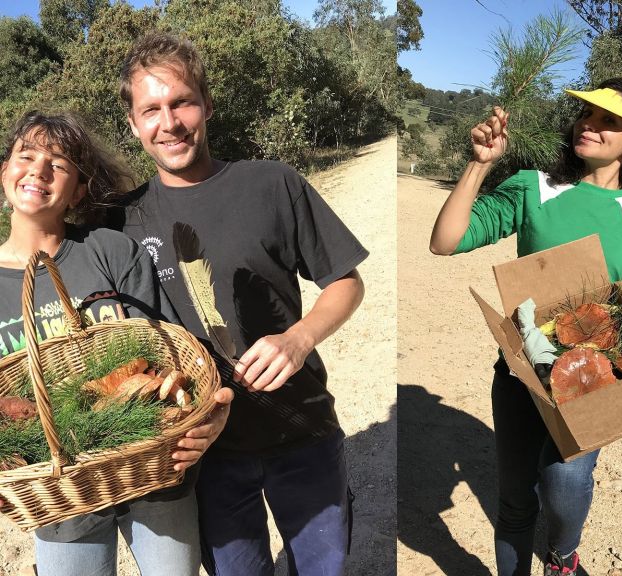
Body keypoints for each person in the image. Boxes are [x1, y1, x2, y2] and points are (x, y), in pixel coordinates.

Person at [108, 31, 368, 576]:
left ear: (206, 104)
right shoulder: (121, 222)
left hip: (302, 427)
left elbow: (346, 282)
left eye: (181, 101)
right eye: (151, 109)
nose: (169, 122)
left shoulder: (272, 183)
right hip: (205, 453)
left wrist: (299, 338)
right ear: (134, 125)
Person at [430, 78, 622, 575]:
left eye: (609, 122)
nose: (590, 126)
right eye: (587, 116)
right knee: (514, 501)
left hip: (590, 383)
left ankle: (561, 556)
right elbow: (446, 241)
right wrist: (480, 164)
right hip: (520, 372)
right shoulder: (536, 187)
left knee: (566, 484)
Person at [0, 110, 231, 576]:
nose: (40, 169)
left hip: (153, 467)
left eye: (60, 163)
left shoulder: (110, 251)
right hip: (58, 494)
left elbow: (164, 353)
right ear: (4, 170)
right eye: (26, 155)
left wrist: (211, 409)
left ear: (79, 190)